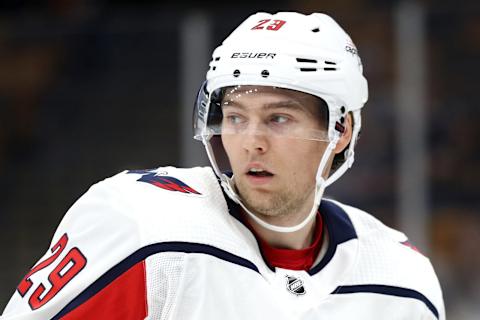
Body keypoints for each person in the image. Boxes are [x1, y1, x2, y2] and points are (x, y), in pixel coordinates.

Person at [1, 12, 444, 320]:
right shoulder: (144, 228)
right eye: (235, 117)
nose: (252, 142)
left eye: (279, 118)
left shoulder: (399, 278)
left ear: (340, 131)